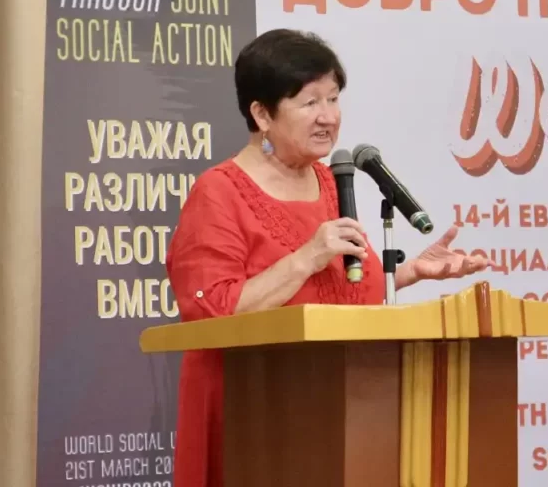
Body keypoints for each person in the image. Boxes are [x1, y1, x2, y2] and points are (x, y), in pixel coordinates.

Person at [166, 28, 491, 487]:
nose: (328, 117)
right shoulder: (218, 192)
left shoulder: (330, 180)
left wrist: (410, 272)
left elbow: (344, 295)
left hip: (335, 405)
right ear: (262, 113)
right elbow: (210, 312)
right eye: (310, 103)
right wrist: (307, 257)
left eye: (334, 99)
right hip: (252, 411)